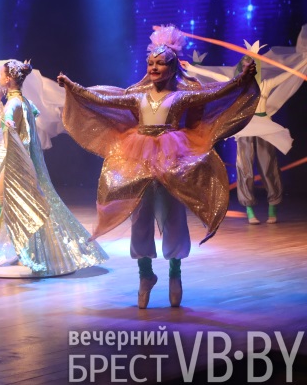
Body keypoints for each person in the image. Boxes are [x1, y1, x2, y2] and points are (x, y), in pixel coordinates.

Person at [57, 25, 259, 308]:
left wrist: (241, 80)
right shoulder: (137, 97)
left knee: (172, 215)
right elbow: (103, 99)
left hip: (171, 156)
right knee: (139, 217)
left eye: (160, 63)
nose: (154, 67)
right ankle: (145, 275)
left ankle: (175, 272)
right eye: (151, 62)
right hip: (138, 157)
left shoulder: (181, 96)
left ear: (172, 68)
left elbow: (215, 93)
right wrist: (73, 87)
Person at [0, 61, 108, 276]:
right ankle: (15, 251)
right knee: (20, 205)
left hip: (14, 162)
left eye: (2, 74)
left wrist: (9, 122)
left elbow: (12, 115)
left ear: (7, 79)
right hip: (23, 161)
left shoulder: (13, 103)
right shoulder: (26, 102)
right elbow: (34, 113)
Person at [182, 43, 307, 224]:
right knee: (244, 167)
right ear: (242, 68)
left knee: (268, 166)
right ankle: (249, 209)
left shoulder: (265, 84)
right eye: (246, 65)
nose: (249, 68)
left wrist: (304, 61)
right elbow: (214, 76)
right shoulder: (237, 85)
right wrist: (192, 67)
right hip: (245, 126)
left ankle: (273, 206)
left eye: (253, 65)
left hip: (264, 127)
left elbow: (288, 74)